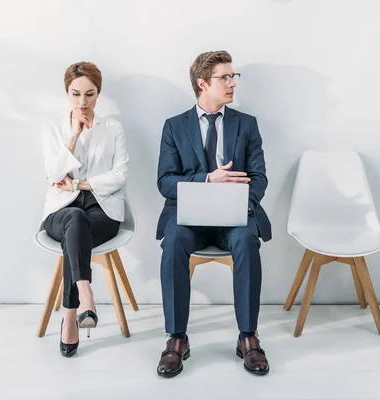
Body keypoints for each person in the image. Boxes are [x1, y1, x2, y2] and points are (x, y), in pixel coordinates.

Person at [155, 50, 272, 377]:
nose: (232, 83)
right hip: (188, 217)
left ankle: (248, 336)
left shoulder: (246, 125)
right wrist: (208, 179)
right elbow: (164, 182)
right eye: (225, 77)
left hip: (233, 216)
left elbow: (260, 178)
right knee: (174, 241)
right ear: (202, 83)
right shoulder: (174, 127)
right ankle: (176, 338)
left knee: (248, 239)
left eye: (234, 77)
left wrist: (241, 204)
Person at [41, 62, 129, 357]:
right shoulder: (53, 128)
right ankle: (85, 294)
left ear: (98, 94)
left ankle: (70, 313)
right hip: (60, 212)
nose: (83, 102)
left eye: (90, 94)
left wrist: (80, 185)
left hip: (102, 211)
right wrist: (73, 136)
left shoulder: (113, 128)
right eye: (76, 94)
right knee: (74, 218)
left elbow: (121, 175)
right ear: (66, 92)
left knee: (76, 229)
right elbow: (53, 173)